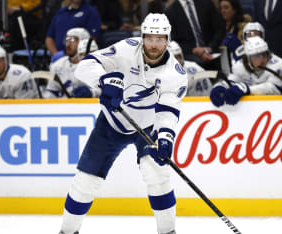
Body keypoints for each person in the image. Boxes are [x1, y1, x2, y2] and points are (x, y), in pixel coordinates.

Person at [59, 13, 187, 234]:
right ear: (142, 36)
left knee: (157, 174)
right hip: (112, 123)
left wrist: (166, 137)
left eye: (160, 39)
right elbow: (85, 66)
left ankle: (168, 232)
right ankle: (67, 231)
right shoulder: (127, 49)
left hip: (147, 127)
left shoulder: (175, 74)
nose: (154, 44)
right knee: (85, 181)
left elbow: (167, 111)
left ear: (167, 39)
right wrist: (105, 80)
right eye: (149, 38)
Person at [210, 36, 282, 107]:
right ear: (247, 58)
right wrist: (221, 86)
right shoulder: (239, 66)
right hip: (255, 108)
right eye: (256, 56)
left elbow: (274, 90)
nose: (262, 59)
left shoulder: (279, 65)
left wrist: (248, 89)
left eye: (264, 54)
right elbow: (232, 81)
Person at [165, 0, 224, 70]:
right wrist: (193, 50)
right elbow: (173, 42)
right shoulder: (170, 12)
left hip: (213, 50)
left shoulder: (206, 3)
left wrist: (209, 48)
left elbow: (220, 29)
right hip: (190, 56)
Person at [44, 29, 98, 98]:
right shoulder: (57, 65)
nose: (68, 44)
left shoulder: (94, 65)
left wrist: (92, 92)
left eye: (73, 41)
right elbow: (52, 91)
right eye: (67, 40)